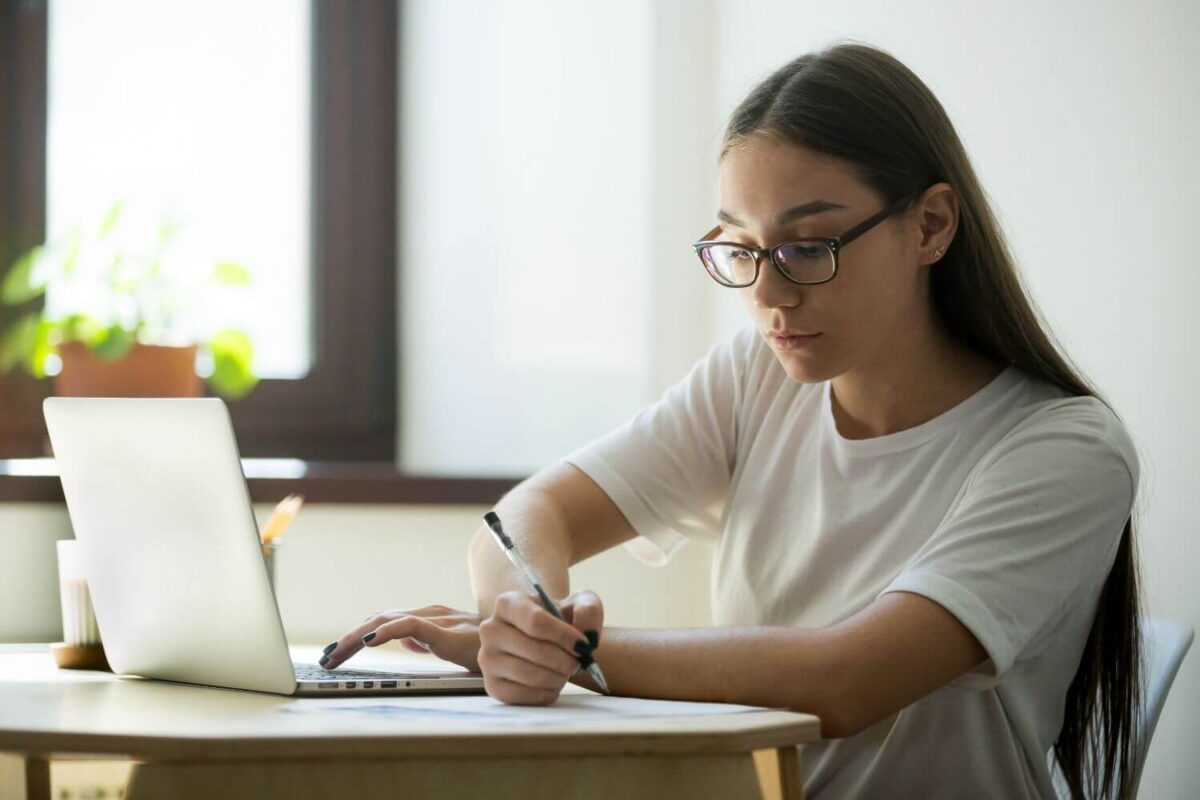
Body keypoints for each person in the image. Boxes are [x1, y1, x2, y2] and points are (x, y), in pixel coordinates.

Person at [321, 43, 1141, 799]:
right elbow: (529, 516)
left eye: (808, 248)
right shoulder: (758, 376)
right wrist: (522, 620)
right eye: (742, 249)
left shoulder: (1063, 449)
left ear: (930, 225)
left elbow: (845, 680)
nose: (770, 296)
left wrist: (572, 655)